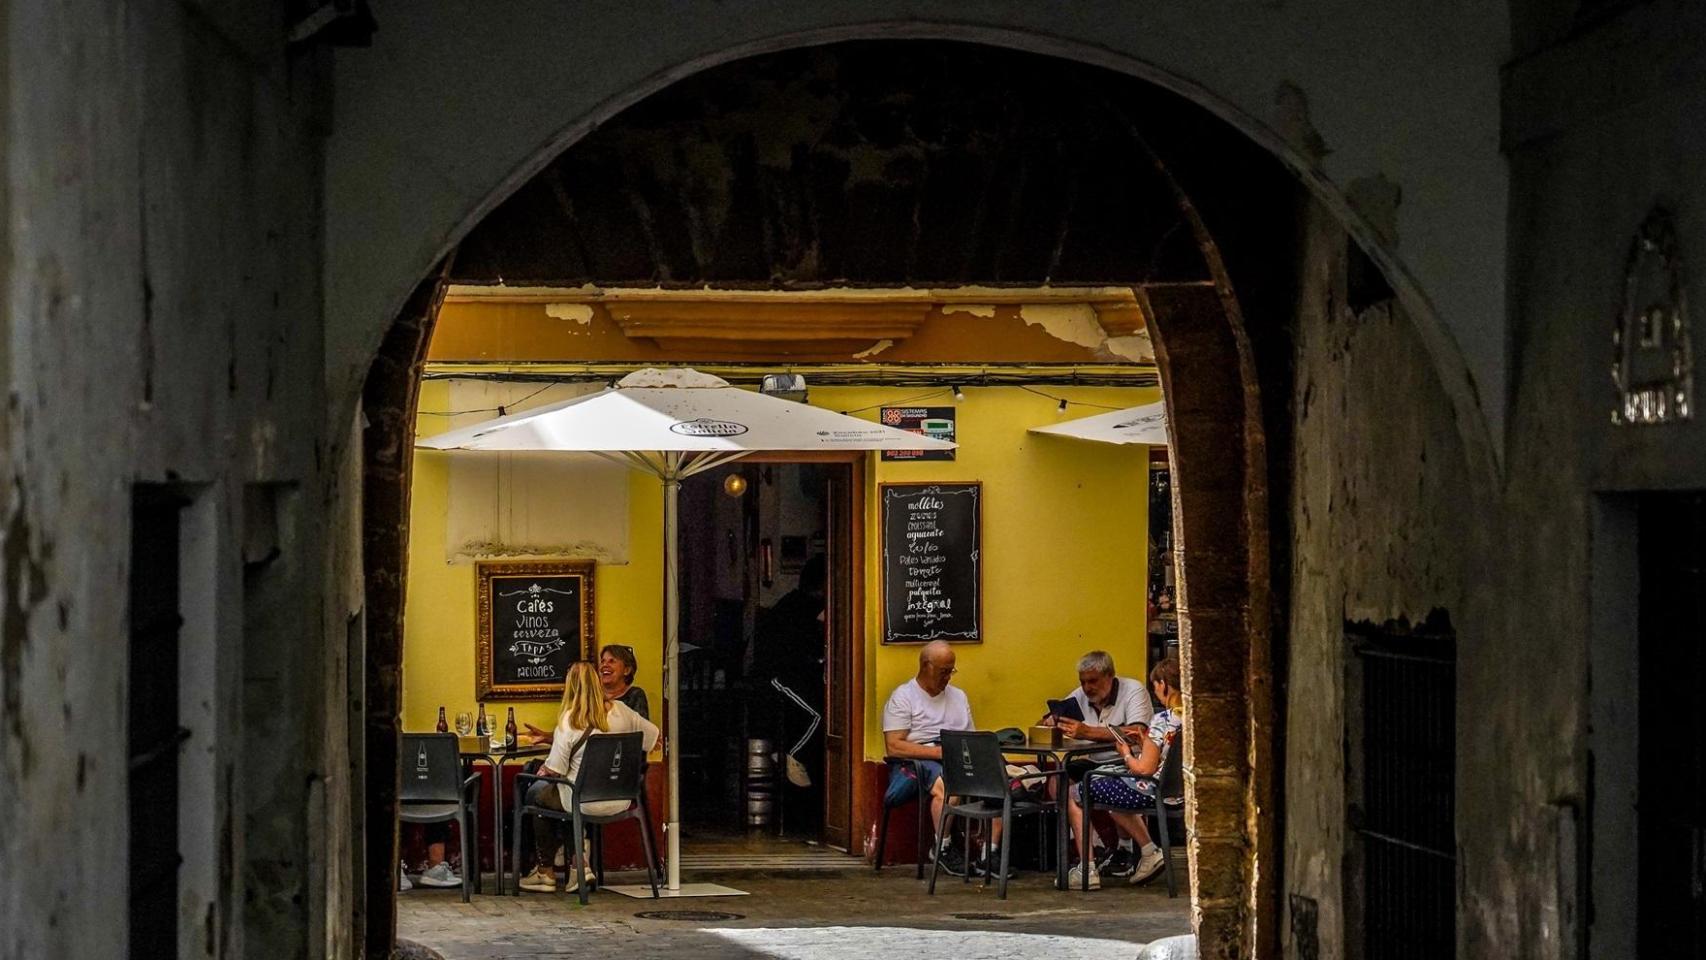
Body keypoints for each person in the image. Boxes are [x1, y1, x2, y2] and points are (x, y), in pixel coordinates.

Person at [517, 661, 660, 893]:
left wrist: (544, 769)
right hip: (622, 800)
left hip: (580, 801)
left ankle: (546, 873)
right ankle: (578, 867)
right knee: (562, 800)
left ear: (570, 687)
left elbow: (556, 769)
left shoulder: (570, 719)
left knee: (539, 796)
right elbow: (655, 739)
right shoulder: (622, 711)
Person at [881, 640, 1005, 877]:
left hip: (957, 753)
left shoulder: (958, 697)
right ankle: (942, 847)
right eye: (943, 671)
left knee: (998, 780)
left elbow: (969, 735)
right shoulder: (903, 696)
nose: (948, 677)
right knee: (948, 787)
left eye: (951, 671)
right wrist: (939, 753)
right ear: (926, 666)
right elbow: (894, 747)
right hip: (918, 758)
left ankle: (990, 852)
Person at [1063, 656, 1184, 890]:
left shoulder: (1162, 720)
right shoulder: (1190, 719)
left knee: (1074, 793)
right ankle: (1148, 851)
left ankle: (1087, 870)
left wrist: (1126, 753)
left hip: (1150, 789)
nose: (1155, 691)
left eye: (1156, 686)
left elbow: (1144, 769)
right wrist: (1145, 742)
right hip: (1176, 791)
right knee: (1111, 785)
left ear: (1165, 685)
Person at [1040, 650, 1154, 877]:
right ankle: (1096, 845)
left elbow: (1137, 732)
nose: (1087, 688)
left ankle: (1124, 850)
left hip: (1129, 763)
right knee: (1058, 779)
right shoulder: (1080, 696)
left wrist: (1088, 732)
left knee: (1098, 784)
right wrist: (1050, 722)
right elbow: (1046, 723)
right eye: (1083, 682)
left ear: (1110, 676)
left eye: (1092, 681)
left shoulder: (1134, 691)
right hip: (1095, 762)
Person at [752, 555, 827, 790]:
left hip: (792, 674)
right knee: (820, 713)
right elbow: (794, 654)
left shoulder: (796, 604)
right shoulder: (799, 608)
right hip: (777, 677)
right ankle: (794, 754)